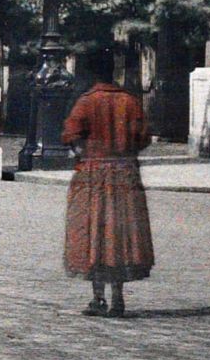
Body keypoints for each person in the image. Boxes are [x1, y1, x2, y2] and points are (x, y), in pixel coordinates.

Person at [62, 49, 154, 318]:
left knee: (95, 233)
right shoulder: (130, 101)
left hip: (93, 174)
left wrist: (82, 152)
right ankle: (119, 298)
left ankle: (98, 298)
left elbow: (71, 134)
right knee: (121, 236)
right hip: (125, 174)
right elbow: (144, 136)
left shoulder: (87, 102)